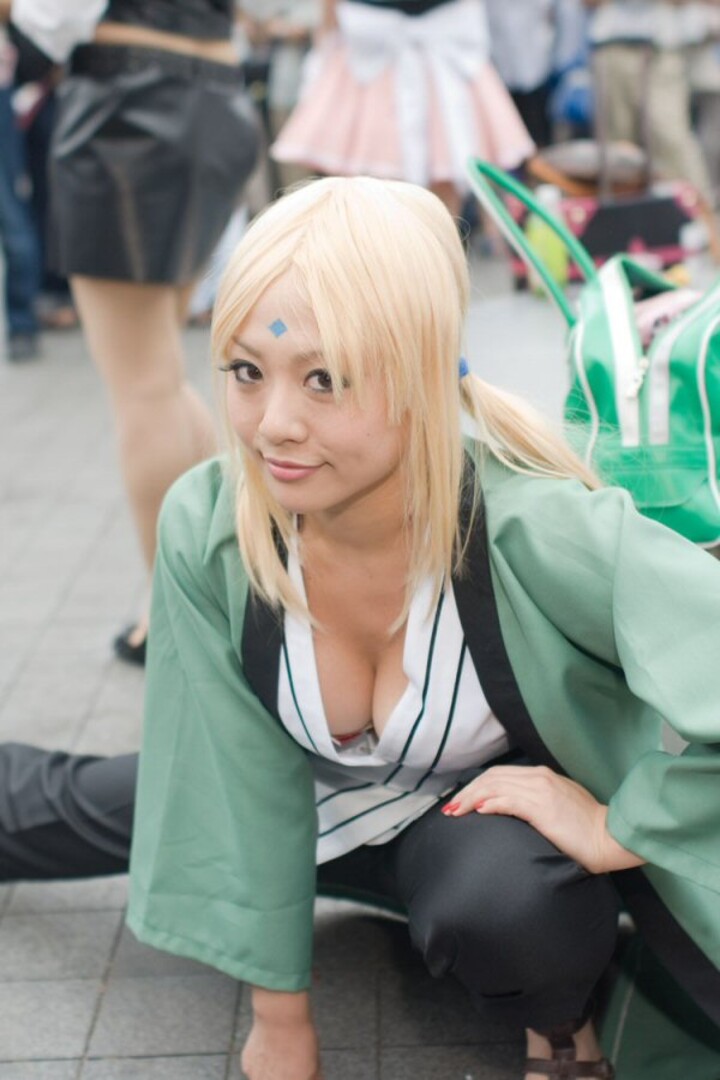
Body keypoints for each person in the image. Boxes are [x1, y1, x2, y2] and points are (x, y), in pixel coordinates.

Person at [2, 176, 720, 1080]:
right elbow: (231, 773)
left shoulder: (541, 525)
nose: (274, 426)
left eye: (325, 379)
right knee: (44, 808)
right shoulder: (211, 520)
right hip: (290, 801)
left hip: (470, 832)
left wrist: (621, 824)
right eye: (246, 372)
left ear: (421, 374)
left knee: (510, 906)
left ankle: (560, 1027)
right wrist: (281, 1021)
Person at [10, 0, 260, 663]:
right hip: (218, 97)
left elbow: (51, 14)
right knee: (160, 374)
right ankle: (225, 573)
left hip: (128, 107)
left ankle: (173, 608)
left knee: (143, 384)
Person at [270, 0, 535, 216]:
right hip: (370, 54)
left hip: (443, 50)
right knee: (365, 190)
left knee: (443, 183)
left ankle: (437, 259)